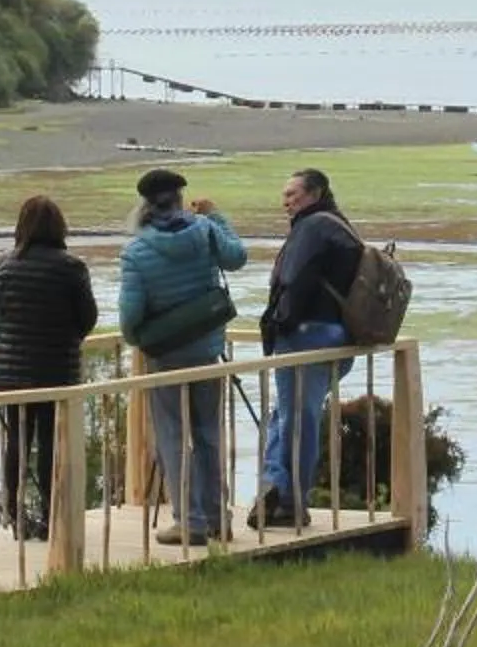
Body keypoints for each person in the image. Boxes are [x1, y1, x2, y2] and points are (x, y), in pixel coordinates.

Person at [117, 167, 246, 547]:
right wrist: (217, 216)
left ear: (144, 205)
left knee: (173, 436)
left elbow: (129, 317)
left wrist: (138, 338)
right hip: (207, 348)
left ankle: (189, 522)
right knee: (208, 433)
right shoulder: (205, 231)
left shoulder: (137, 252)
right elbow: (237, 257)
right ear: (179, 198)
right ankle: (218, 518)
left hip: (166, 355)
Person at [255, 165, 361, 530]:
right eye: (284, 196)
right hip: (336, 336)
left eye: (292, 195)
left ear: (314, 194)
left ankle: (288, 498)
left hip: (306, 337)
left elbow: (291, 282)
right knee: (288, 416)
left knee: (296, 420)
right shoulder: (339, 225)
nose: (286, 202)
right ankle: (278, 488)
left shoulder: (312, 227)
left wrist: (276, 323)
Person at [0, 193, 96, 540]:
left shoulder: (3, 265)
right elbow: (87, 318)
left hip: (11, 374)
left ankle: (16, 515)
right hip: (56, 370)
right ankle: (52, 515)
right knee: (50, 442)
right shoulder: (71, 268)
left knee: (17, 441)